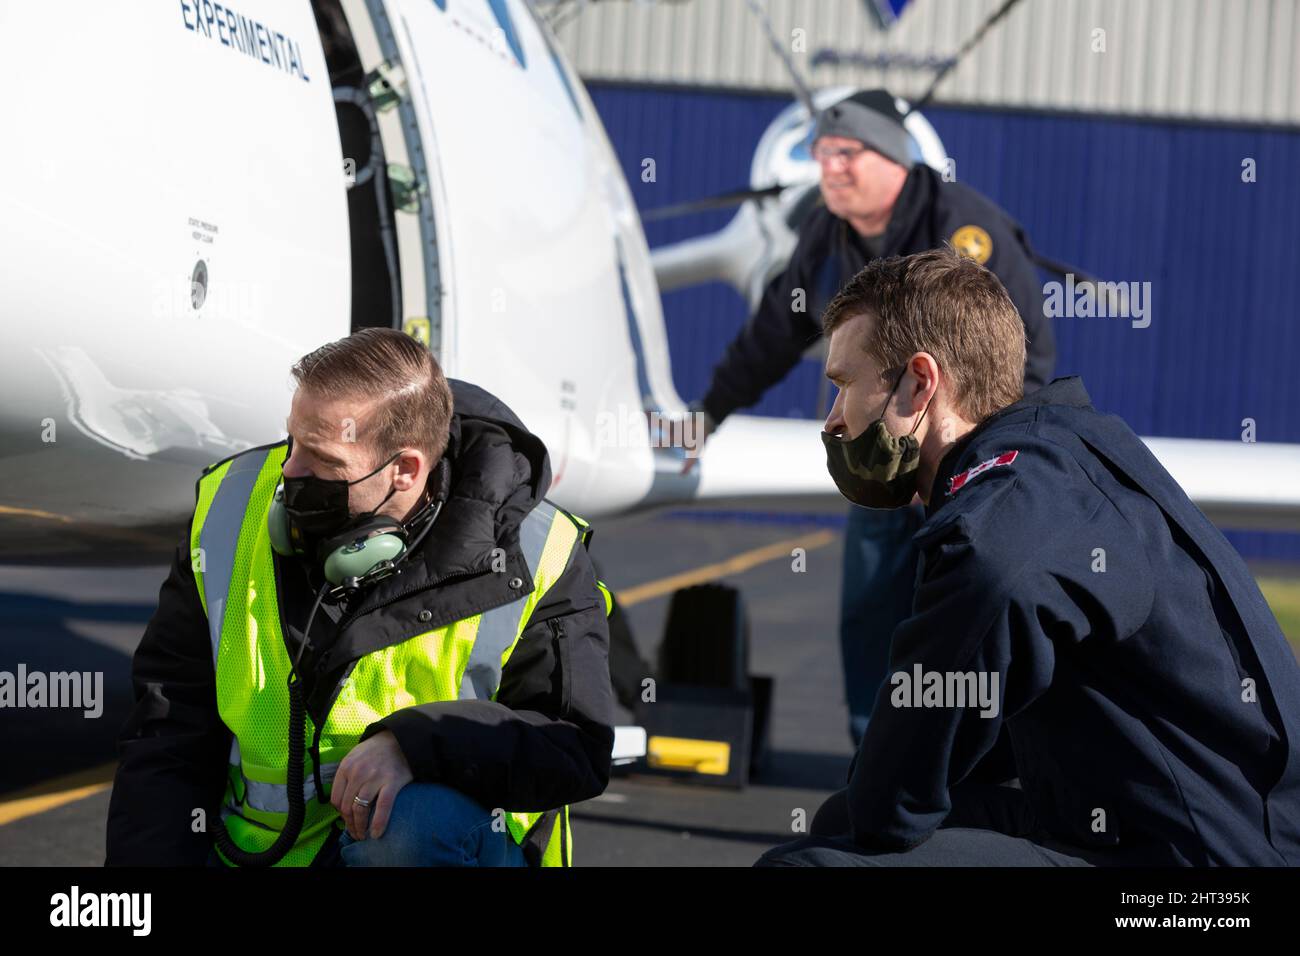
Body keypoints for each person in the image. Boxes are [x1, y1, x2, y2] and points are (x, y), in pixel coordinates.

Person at [757, 248, 1300, 866]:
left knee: (806, 866)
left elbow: (995, 578)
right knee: (842, 817)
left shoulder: (1003, 507)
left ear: (918, 382)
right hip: (1168, 828)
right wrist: (876, 804)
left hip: (1195, 875)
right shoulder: (1061, 456)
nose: (831, 421)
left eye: (843, 386)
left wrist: (887, 807)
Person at [105, 328, 616, 867]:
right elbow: (168, 728)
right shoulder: (231, 505)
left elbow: (575, 745)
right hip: (261, 855)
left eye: (323, 462)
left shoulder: (540, 552)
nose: (288, 473)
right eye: (291, 442)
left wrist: (420, 746)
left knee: (416, 827)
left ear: (405, 470)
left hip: (421, 847)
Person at [689, 89, 1055, 746]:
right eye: (821, 155)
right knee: (869, 610)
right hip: (887, 463)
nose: (828, 168)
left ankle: (983, 765)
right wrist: (702, 417)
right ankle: (875, 754)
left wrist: (976, 464)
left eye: (844, 154)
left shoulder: (966, 228)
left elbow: (1025, 355)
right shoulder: (826, 240)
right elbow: (772, 334)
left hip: (976, 471)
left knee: (978, 613)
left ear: (890, 157)